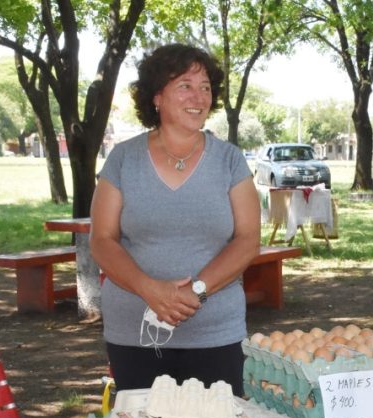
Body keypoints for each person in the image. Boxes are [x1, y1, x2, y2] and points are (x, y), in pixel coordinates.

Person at [89, 44, 260, 394]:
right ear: (157, 96)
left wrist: (197, 290)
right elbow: (102, 239)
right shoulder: (123, 159)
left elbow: (247, 240)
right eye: (185, 85)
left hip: (216, 334)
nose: (198, 96)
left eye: (206, 87)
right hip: (135, 333)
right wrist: (150, 289)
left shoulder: (230, 160)